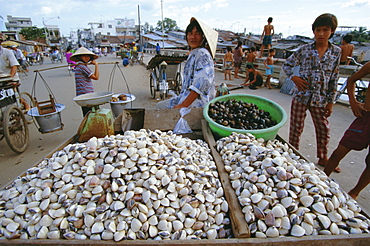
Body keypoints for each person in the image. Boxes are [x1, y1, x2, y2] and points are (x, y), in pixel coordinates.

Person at [282, 13, 341, 169]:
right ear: (313, 31)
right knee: (296, 127)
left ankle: (323, 157)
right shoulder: (304, 50)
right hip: (301, 94)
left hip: (320, 98)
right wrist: (294, 78)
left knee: (323, 128)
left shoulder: (336, 52)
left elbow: (334, 77)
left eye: (325, 30)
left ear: (332, 31)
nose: (321, 34)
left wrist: (331, 102)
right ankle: (293, 154)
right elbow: (287, 65)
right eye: (318, 30)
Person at [324, 62, 370, 199]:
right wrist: (353, 101)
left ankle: (354, 192)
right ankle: (322, 178)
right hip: (365, 117)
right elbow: (351, 80)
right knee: (338, 152)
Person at [156, 17, 218, 109]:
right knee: (160, 106)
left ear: (203, 37)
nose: (193, 37)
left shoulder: (202, 53)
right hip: (184, 98)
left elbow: (201, 85)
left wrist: (183, 105)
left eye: (197, 33)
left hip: (197, 104)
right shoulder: (194, 53)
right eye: (190, 33)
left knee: (162, 110)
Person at [0, 34, 29, 110]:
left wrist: (10, 77)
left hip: (11, 77)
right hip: (0, 78)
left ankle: (25, 104)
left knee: (13, 94)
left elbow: (14, 66)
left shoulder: (7, 52)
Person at [70, 47, 100, 116]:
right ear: (80, 57)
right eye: (84, 56)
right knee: (89, 115)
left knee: (87, 115)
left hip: (83, 95)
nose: (87, 58)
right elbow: (96, 77)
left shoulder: (80, 66)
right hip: (86, 95)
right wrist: (96, 65)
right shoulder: (82, 66)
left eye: (88, 56)